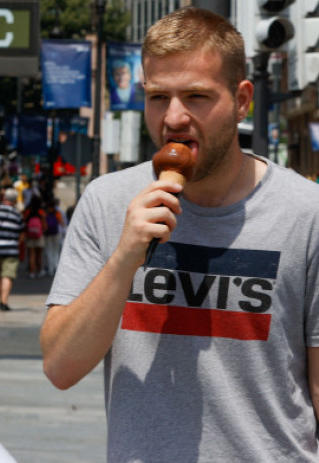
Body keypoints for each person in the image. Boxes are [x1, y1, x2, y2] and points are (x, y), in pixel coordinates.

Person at [41, 7, 319, 462]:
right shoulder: (108, 201)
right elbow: (60, 367)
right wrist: (125, 255)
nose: (173, 117)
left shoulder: (306, 214)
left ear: (242, 99)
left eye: (196, 96)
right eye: (158, 97)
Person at [43, 198, 67, 277]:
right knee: (56, 251)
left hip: (48, 234)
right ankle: (56, 267)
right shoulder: (57, 213)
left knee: (49, 251)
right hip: (56, 233)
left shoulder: (45, 213)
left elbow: (44, 224)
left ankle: (50, 269)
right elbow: (62, 223)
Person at [23, 196, 46, 278]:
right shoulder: (41, 212)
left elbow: (24, 222)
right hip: (39, 235)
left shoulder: (28, 211)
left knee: (31, 255)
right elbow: (44, 224)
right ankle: (39, 271)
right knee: (39, 255)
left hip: (30, 235)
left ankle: (32, 272)